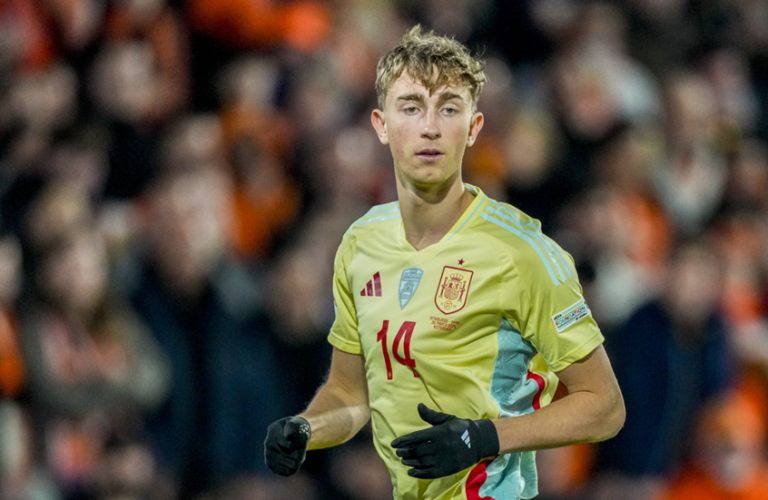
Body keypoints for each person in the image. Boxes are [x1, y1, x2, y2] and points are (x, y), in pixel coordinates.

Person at [264, 26, 625, 500]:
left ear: (473, 128)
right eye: (412, 107)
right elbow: (351, 395)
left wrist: (484, 438)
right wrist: (307, 427)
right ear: (381, 125)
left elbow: (605, 406)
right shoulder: (361, 244)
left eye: (449, 109)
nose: (430, 127)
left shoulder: (523, 253)